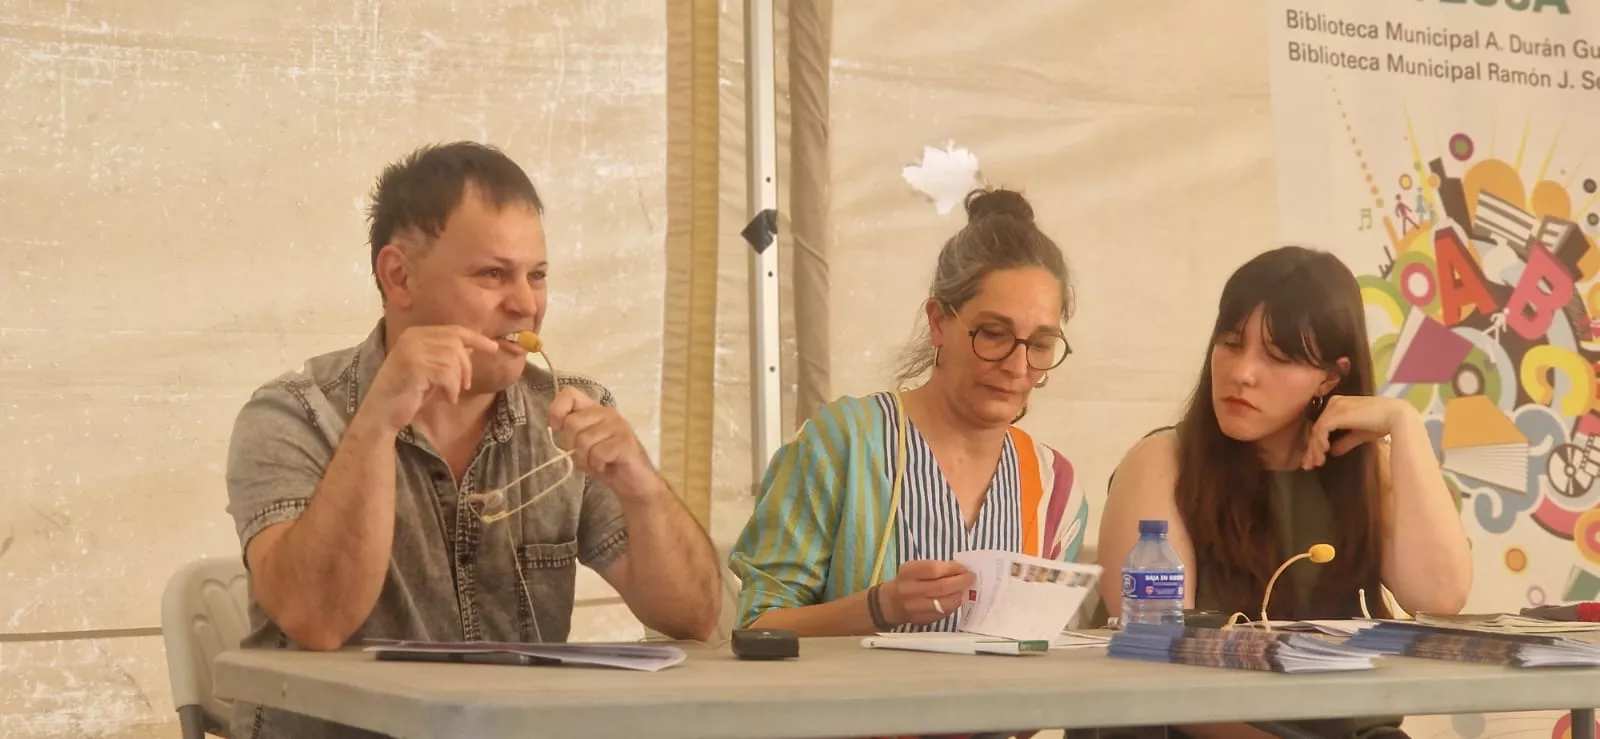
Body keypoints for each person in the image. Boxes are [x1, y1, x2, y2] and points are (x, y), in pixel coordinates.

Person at [224, 141, 722, 739]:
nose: (526, 304)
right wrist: (378, 421)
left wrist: (643, 487)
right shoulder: (294, 414)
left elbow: (694, 616)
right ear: (399, 276)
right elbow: (318, 621)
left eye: (537, 275)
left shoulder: (566, 410)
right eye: (493, 274)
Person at [1097, 246, 1471, 739]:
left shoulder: (1365, 471)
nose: (1242, 372)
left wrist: (1404, 425)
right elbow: (1157, 668)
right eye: (1230, 343)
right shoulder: (1162, 461)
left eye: (1277, 357)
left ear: (1332, 376)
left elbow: (1439, 596)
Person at [728, 187, 1088, 639]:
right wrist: (879, 607)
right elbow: (757, 627)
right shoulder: (845, 445)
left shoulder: (1054, 487)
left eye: (1039, 345)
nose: (1018, 367)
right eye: (994, 334)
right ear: (938, 321)